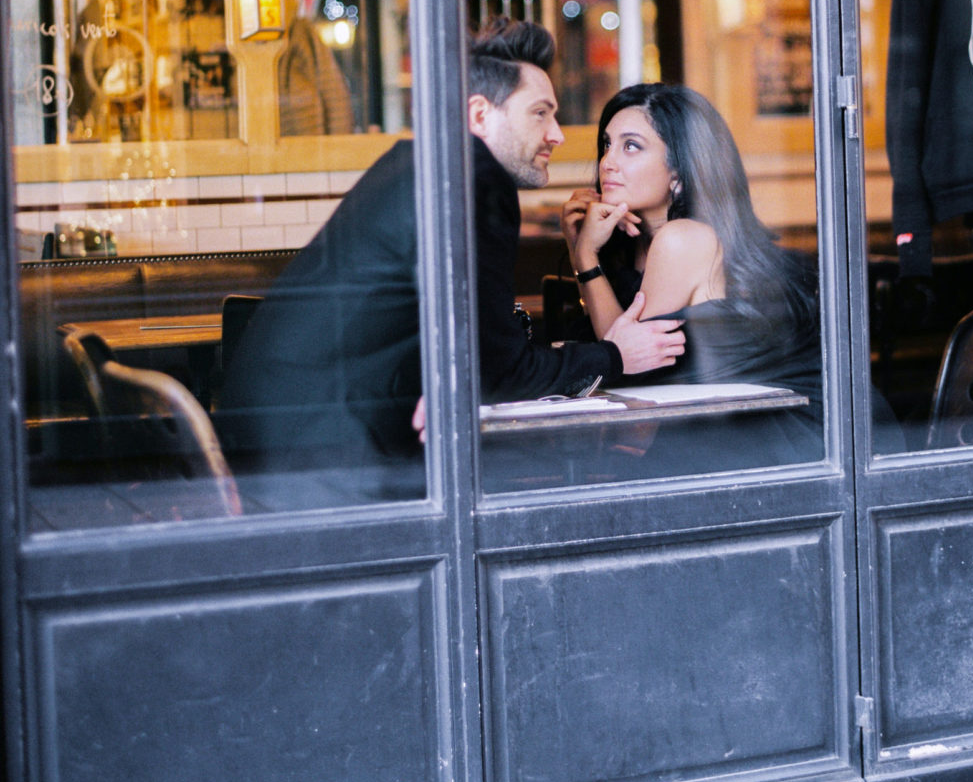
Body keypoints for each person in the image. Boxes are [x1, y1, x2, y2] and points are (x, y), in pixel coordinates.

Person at [219, 23, 684, 470]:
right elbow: (500, 377)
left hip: (271, 430)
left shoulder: (417, 164)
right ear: (480, 114)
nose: (557, 134)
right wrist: (616, 355)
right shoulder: (475, 180)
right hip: (321, 450)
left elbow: (463, 352)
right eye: (540, 113)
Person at [560, 82, 825, 465]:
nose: (607, 163)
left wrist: (585, 255)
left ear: (678, 174)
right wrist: (583, 248)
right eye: (607, 144)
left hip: (772, 447)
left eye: (630, 146)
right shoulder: (637, 246)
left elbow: (626, 362)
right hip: (712, 437)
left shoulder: (681, 240)